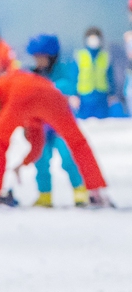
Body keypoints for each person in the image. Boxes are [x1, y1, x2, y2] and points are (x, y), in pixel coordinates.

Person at [0, 69, 114, 208]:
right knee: (78, 143)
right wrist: (24, 162)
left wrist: (0, 131)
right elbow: (38, 143)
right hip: (52, 95)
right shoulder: (29, 81)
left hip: (19, 95)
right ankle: (98, 192)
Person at [26, 34, 88, 208]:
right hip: (41, 126)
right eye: (35, 57)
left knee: (68, 158)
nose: (37, 60)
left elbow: (67, 87)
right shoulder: (33, 74)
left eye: (41, 57)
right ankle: (44, 194)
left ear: (51, 57)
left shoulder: (62, 72)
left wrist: (47, 88)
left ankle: (80, 191)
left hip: (61, 126)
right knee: (41, 159)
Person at [72, 27, 114, 119]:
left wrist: (112, 94)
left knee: (103, 123)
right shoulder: (80, 55)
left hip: (101, 95)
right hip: (85, 96)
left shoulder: (105, 56)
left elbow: (110, 76)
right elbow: (74, 77)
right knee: (85, 124)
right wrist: (74, 95)